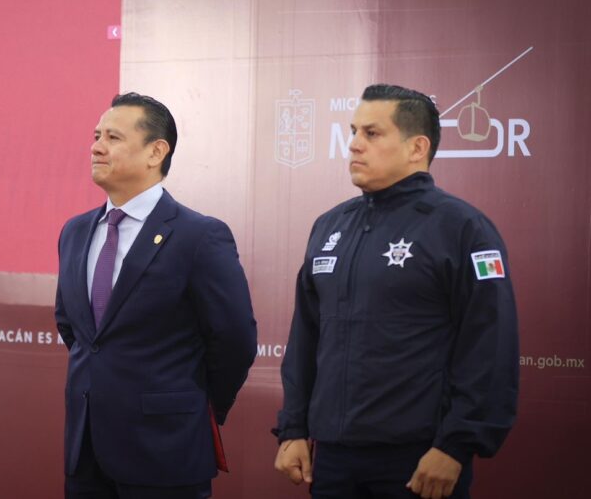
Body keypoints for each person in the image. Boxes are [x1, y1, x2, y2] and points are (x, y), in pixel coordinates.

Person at [273, 84, 519, 499]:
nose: (354, 145)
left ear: (417, 147)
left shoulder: (463, 228)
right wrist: (293, 428)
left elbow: (490, 347)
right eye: (353, 131)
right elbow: (306, 339)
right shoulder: (329, 226)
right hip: (332, 460)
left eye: (372, 133)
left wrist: (455, 446)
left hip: (419, 460)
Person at [55, 92, 257, 498]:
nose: (96, 147)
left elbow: (234, 340)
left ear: (156, 152)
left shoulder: (199, 235)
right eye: (96, 136)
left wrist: (194, 404)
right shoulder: (75, 231)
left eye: (113, 137)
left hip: (166, 451)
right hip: (86, 452)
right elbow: (74, 329)